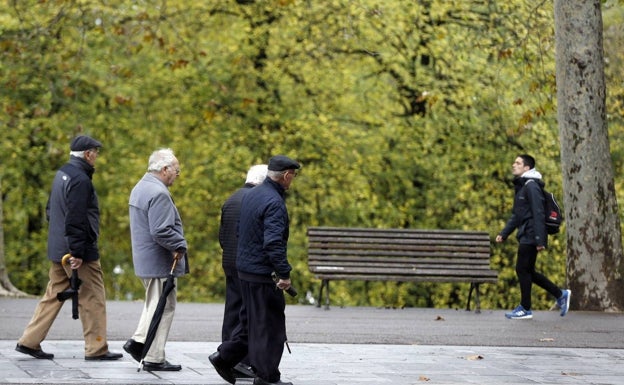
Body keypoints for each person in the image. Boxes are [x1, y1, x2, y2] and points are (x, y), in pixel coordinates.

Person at [16, 135, 123, 361]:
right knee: (93, 297)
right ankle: (96, 348)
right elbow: (76, 218)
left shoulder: (62, 173)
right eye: (96, 152)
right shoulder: (81, 180)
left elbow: (50, 211)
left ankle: (29, 341)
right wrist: (77, 252)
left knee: (53, 294)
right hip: (76, 252)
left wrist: (62, 243)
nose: (97, 156)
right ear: (87, 154)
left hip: (59, 248)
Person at [209, 155, 300, 385]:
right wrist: (284, 273)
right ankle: (267, 377)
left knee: (250, 322)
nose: (293, 180)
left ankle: (224, 357)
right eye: (293, 176)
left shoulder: (251, 196)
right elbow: (273, 243)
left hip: (245, 271)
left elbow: (239, 231)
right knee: (270, 326)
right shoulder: (274, 202)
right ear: (287, 175)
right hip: (262, 274)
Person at [123, 148, 189, 371]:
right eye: (176, 171)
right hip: (159, 261)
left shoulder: (140, 187)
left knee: (155, 304)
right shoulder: (158, 193)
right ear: (165, 169)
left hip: (146, 260)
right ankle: (151, 355)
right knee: (164, 306)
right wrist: (180, 245)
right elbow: (161, 230)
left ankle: (141, 343)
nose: (177, 175)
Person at [496, 154, 571, 320]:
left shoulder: (531, 186)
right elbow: (517, 215)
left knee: (522, 269)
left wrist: (540, 239)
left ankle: (525, 308)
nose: (513, 165)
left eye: (517, 163)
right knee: (528, 270)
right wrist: (504, 233)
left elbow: (539, 212)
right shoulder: (523, 186)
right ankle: (560, 294)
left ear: (527, 168)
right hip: (527, 233)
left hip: (531, 234)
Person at [218, 164, 268, 380]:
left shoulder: (231, 199)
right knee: (249, 314)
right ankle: (241, 360)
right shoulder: (255, 201)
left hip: (229, 261)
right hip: (247, 265)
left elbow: (222, 234)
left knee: (232, 310)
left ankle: (226, 355)